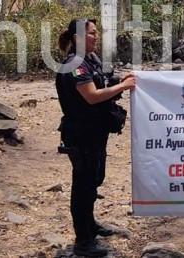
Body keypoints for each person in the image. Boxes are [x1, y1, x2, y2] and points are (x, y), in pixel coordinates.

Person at [55, 19, 136, 257]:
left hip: (94, 132)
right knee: (83, 185)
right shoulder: (75, 65)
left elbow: (102, 80)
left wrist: (121, 79)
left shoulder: (90, 60)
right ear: (78, 38)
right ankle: (83, 241)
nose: (96, 36)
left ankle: (90, 225)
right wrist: (123, 87)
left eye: (96, 32)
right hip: (81, 135)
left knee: (93, 180)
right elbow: (91, 96)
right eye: (92, 33)